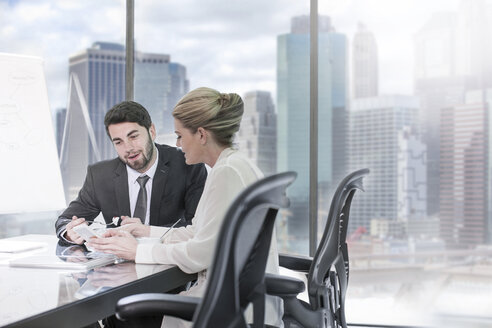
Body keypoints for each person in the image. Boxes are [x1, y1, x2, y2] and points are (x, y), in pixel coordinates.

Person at [88, 87, 283, 327]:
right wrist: (146, 231)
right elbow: (200, 233)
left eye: (180, 135)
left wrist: (137, 252)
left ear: (201, 135)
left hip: (223, 312)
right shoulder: (235, 165)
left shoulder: (226, 174)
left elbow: (201, 253)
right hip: (243, 306)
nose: (178, 144)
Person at [55, 100, 207, 245]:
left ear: (152, 131)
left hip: (168, 261)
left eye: (133, 137)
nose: (128, 148)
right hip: (118, 265)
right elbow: (65, 221)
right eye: (118, 142)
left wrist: (146, 232)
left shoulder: (188, 165)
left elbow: (199, 228)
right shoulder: (100, 175)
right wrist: (69, 232)